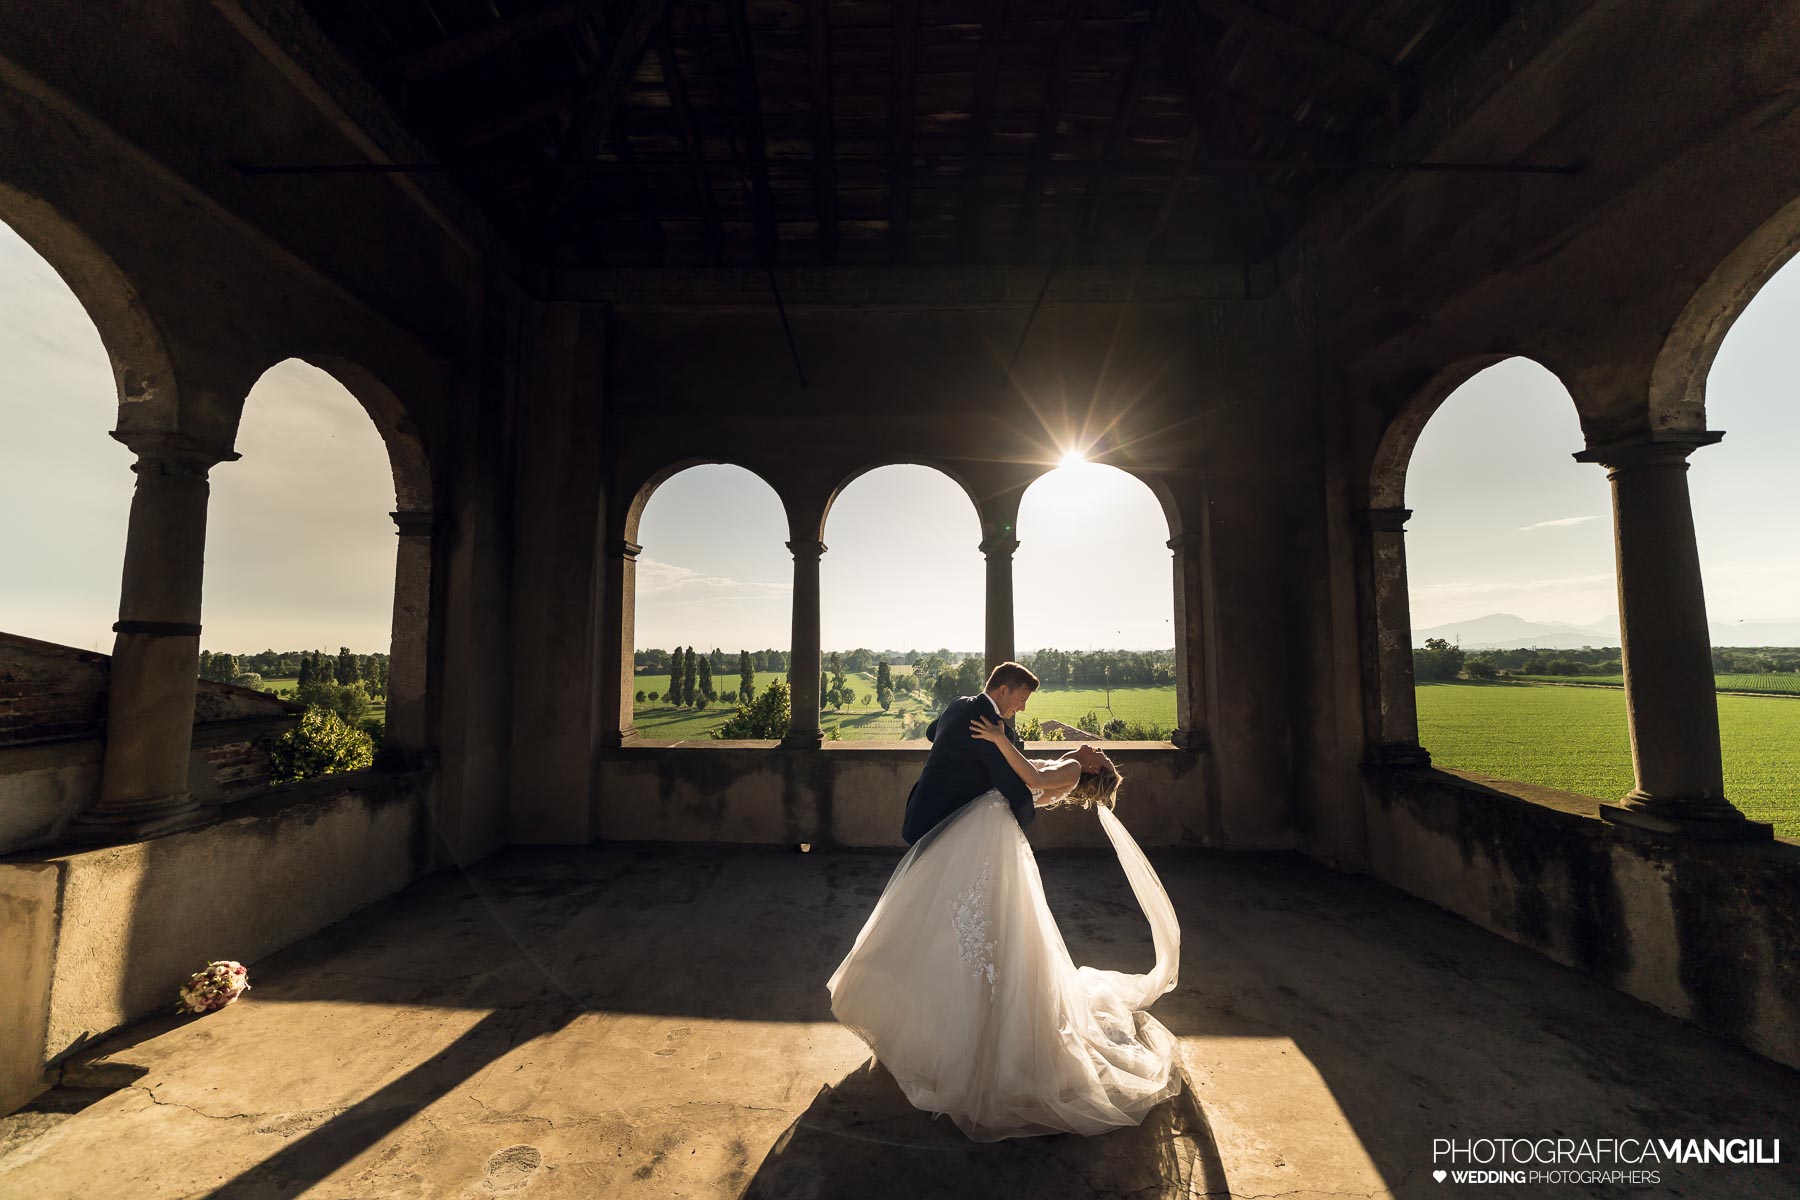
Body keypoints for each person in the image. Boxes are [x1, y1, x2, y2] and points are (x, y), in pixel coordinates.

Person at [827, 662, 1182, 1141]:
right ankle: (960, 1023)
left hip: (986, 829)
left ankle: (966, 1031)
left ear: (1094, 767)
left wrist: (996, 742)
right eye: (1021, 697)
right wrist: (991, 743)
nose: (1022, 707)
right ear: (1003, 687)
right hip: (978, 826)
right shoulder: (981, 717)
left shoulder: (1039, 747)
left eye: (1099, 753)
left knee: (974, 922)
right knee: (974, 922)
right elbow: (977, 751)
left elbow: (1032, 778)